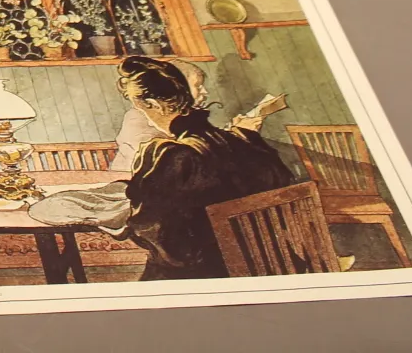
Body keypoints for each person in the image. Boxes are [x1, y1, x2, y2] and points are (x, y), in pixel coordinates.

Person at [115, 56, 294, 280]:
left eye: (141, 109)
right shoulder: (235, 141)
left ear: (154, 105)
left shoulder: (174, 156)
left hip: (203, 272)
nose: (146, 118)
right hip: (259, 262)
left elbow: (154, 230)